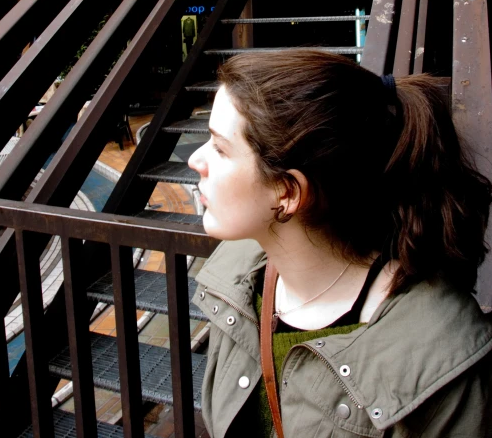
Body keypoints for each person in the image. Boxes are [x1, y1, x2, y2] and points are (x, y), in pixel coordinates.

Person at [188, 49, 492, 438]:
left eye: (220, 147)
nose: (196, 159)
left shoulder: (441, 358)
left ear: (287, 192)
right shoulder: (238, 283)